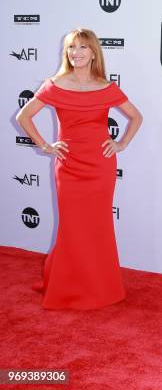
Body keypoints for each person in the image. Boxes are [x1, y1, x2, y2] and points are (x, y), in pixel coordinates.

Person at [16, 28, 143, 310]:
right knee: (72, 227)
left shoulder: (106, 86)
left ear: (94, 52)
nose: (76, 53)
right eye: (72, 48)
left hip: (100, 165)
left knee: (97, 226)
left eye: (83, 48)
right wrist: (45, 146)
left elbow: (136, 117)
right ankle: (67, 287)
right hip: (69, 165)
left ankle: (100, 287)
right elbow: (24, 116)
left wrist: (121, 143)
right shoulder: (55, 84)